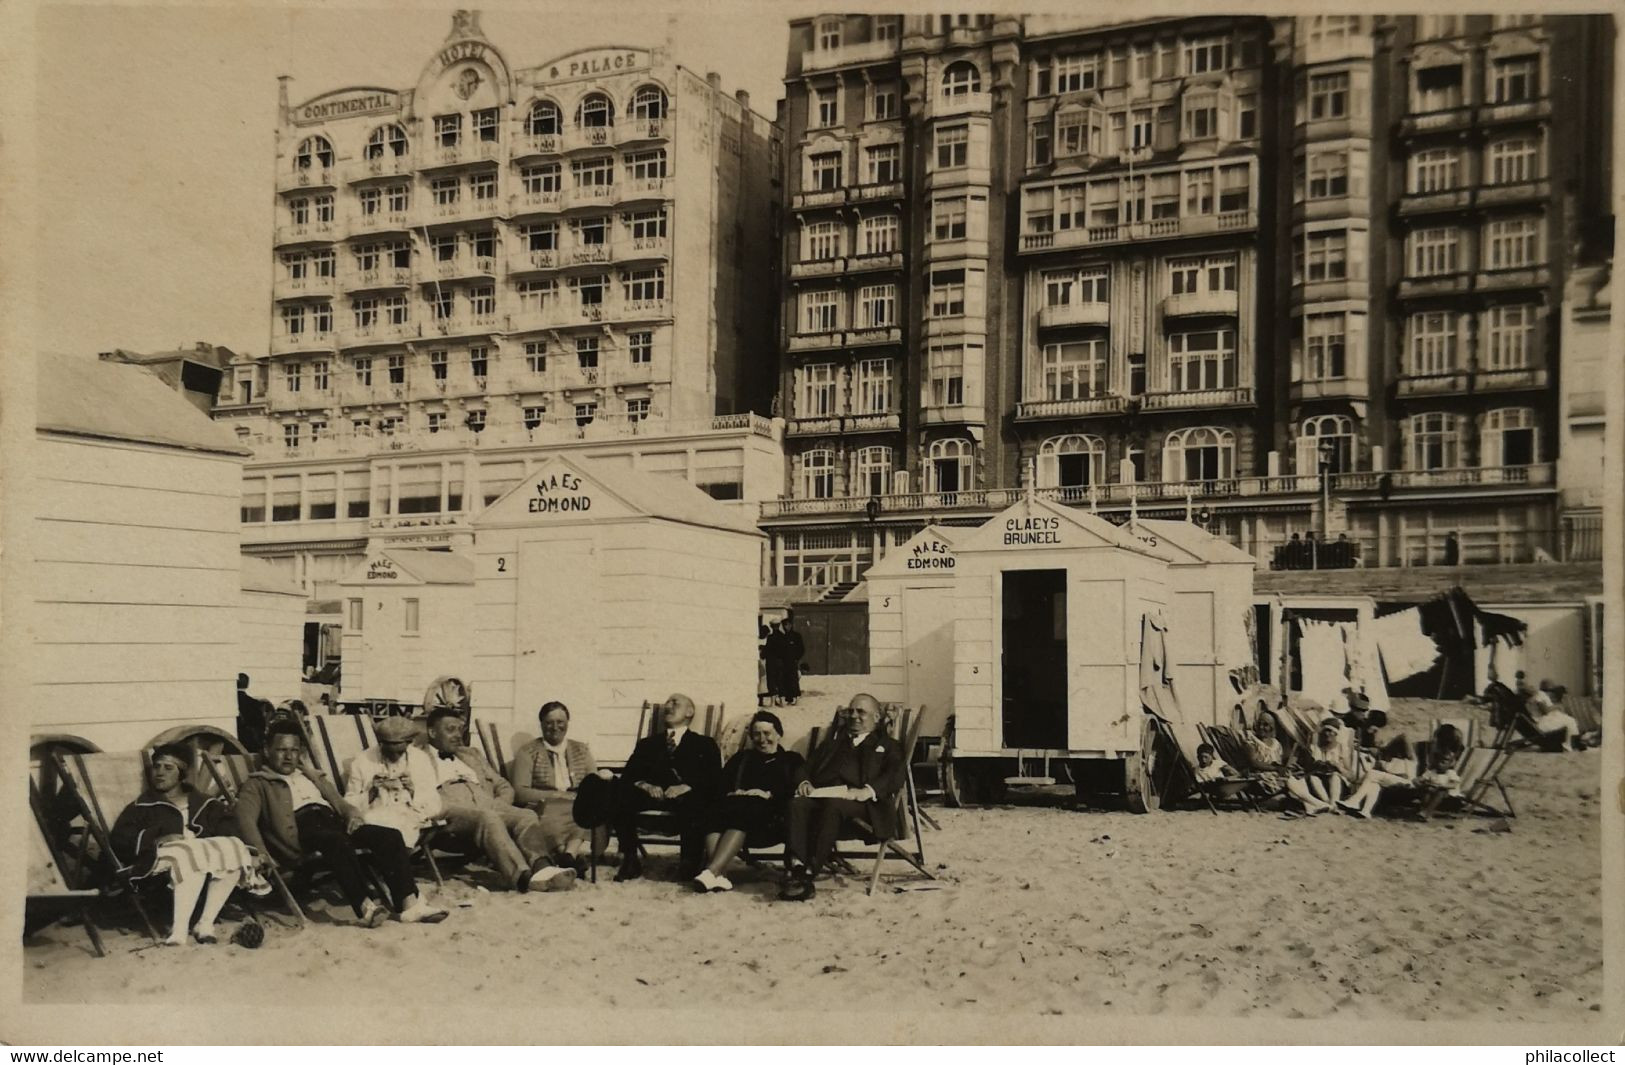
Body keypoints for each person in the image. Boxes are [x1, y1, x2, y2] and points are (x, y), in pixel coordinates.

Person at [234, 720, 445, 927]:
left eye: (294, 750)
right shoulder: (257, 784)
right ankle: (365, 908)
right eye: (281, 750)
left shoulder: (310, 776)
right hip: (300, 829)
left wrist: (352, 815)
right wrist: (261, 854)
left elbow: (340, 803)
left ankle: (409, 905)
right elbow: (246, 822)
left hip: (333, 822)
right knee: (336, 841)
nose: (289, 756)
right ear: (267, 750)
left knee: (389, 836)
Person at [110, 744, 270, 945]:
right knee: (190, 854)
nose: (159, 773)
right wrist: (156, 839)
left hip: (198, 856)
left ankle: (205, 924)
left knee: (234, 847)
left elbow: (229, 829)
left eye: (168, 768)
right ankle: (179, 931)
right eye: (156, 767)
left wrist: (249, 852)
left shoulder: (204, 802)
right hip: (155, 860)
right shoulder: (142, 806)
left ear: (181, 773)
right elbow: (119, 838)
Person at [424, 707, 575, 892]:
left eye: (459, 729)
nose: (457, 735)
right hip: (452, 813)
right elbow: (424, 798)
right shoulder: (418, 758)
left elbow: (503, 785)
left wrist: (501, 806)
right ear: (432, 732)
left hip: (488, 805)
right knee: (489, 817)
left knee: (526, 815)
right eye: (450, 730)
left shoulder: (471, 755)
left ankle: (542, 867)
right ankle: (522, 877)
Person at [780, 693, 905, 902]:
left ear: (876, 717)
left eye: (861, 712)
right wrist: (804, 782)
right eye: (851, 711)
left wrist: (868, 790)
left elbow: (895, 775)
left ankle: (809, 872)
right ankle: (796, 866)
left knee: (833, 805)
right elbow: (804, 768)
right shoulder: (833, 744)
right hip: (824, 797)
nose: (854, 716)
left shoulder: (888, 745)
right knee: (797, 804)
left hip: (863, 805)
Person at [601, 693, 722, 882]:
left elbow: (714, 778)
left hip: (686, 802)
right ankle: (631, 859)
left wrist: (687, 786)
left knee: (699, 798)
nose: (668, 706)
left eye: (676, 703)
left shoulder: (705, 744)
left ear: (690, 712)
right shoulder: (647, 744)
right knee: (618, 790)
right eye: (667, 703)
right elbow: (629, 775)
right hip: (651, 797)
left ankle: (688, 862)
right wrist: (646, 785)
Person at [693, 710, 805, 893]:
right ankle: (719, 876)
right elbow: (721, 785)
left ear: (779, 734)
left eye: (767, 733)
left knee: (746, 808)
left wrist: (767, 794)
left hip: (771, 818)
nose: (762, 739)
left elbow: (795, 790)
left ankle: (712, 870)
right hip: (736, 809)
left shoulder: (791, 760)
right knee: (712, 810)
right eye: (756, 734)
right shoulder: (742, 758)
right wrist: (735, 792)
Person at [508, 701, 603, 871]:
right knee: (569, 811)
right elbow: (520, 792)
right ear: (541, 724)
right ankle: (571, 854)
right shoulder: (528, 752)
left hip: (577, 804)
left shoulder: (582, 749)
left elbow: (594, 783)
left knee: (586, 809)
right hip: (548, 808)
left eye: (560, 722)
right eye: (549, 722)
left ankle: (567, 855)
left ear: (567, 723)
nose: (555, 727)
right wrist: (556, 796)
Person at [344, 715, 441, 848]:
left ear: (409, 743)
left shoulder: (420, 759)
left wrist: (413, 790)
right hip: (375, 816)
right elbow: (348, 803)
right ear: (381, 743)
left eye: (399, 752)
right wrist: (371, 792)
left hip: (409, 814)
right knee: (386, 832)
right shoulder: (362, 761)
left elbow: (434, 802)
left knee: (401, 830)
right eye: (389, 752)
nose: (395, 757)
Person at [1240, 706, 1332, 815]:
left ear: (1272, 727)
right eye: (1259, 723)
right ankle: (1317, 803)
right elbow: (1253, 762)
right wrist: (1276, 768)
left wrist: (1286, 768)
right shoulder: (1250, 741)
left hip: (1272, 776)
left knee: (1298, 778)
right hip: (1258, 779)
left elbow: (1278, 763)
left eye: (1266, 725)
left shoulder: (1276, 744)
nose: (1261, 727)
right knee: (1289, 780)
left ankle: (1309, 806)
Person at [1306, 717, 1355, 810]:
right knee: (1313, 777)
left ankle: (1333, 802)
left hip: (1338, 785)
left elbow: (1351, 776)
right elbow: (1308, 769)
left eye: (1330, 731)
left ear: (1336, 733)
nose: (1326, 734)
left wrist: (1338, 766)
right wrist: (1317, 765)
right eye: (1324, 731)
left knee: (1335, 776)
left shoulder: (1341, 748)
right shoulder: (1317, 747)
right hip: (1320, 783)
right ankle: (1329, 804)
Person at [236, 674, 266, 753]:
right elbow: (261, 724)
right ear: (247, 684)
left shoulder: (231, 700)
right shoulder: (254, 703)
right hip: (250, 741)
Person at [779, 614, 805, 705]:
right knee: (785, 680)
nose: (786, 627)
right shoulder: (783, 637)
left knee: (794, 679)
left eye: (787, 625)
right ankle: (789, 698)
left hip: (793, 661)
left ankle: (796, 697)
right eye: (784, 625)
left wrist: (796, 658)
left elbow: (801, 649)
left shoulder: (796, 636)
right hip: (784, 662)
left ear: (790, 625)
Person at [763, 620, 787, 706]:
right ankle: (782, 701)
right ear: (779, 625)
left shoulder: (770, 638)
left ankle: (772, 702)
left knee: (771, 680)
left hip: (771, 661)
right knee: (781, 680)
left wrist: (763, 654)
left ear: (771, 626)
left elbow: (767, 650)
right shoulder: (783, 637)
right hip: (781, 662)